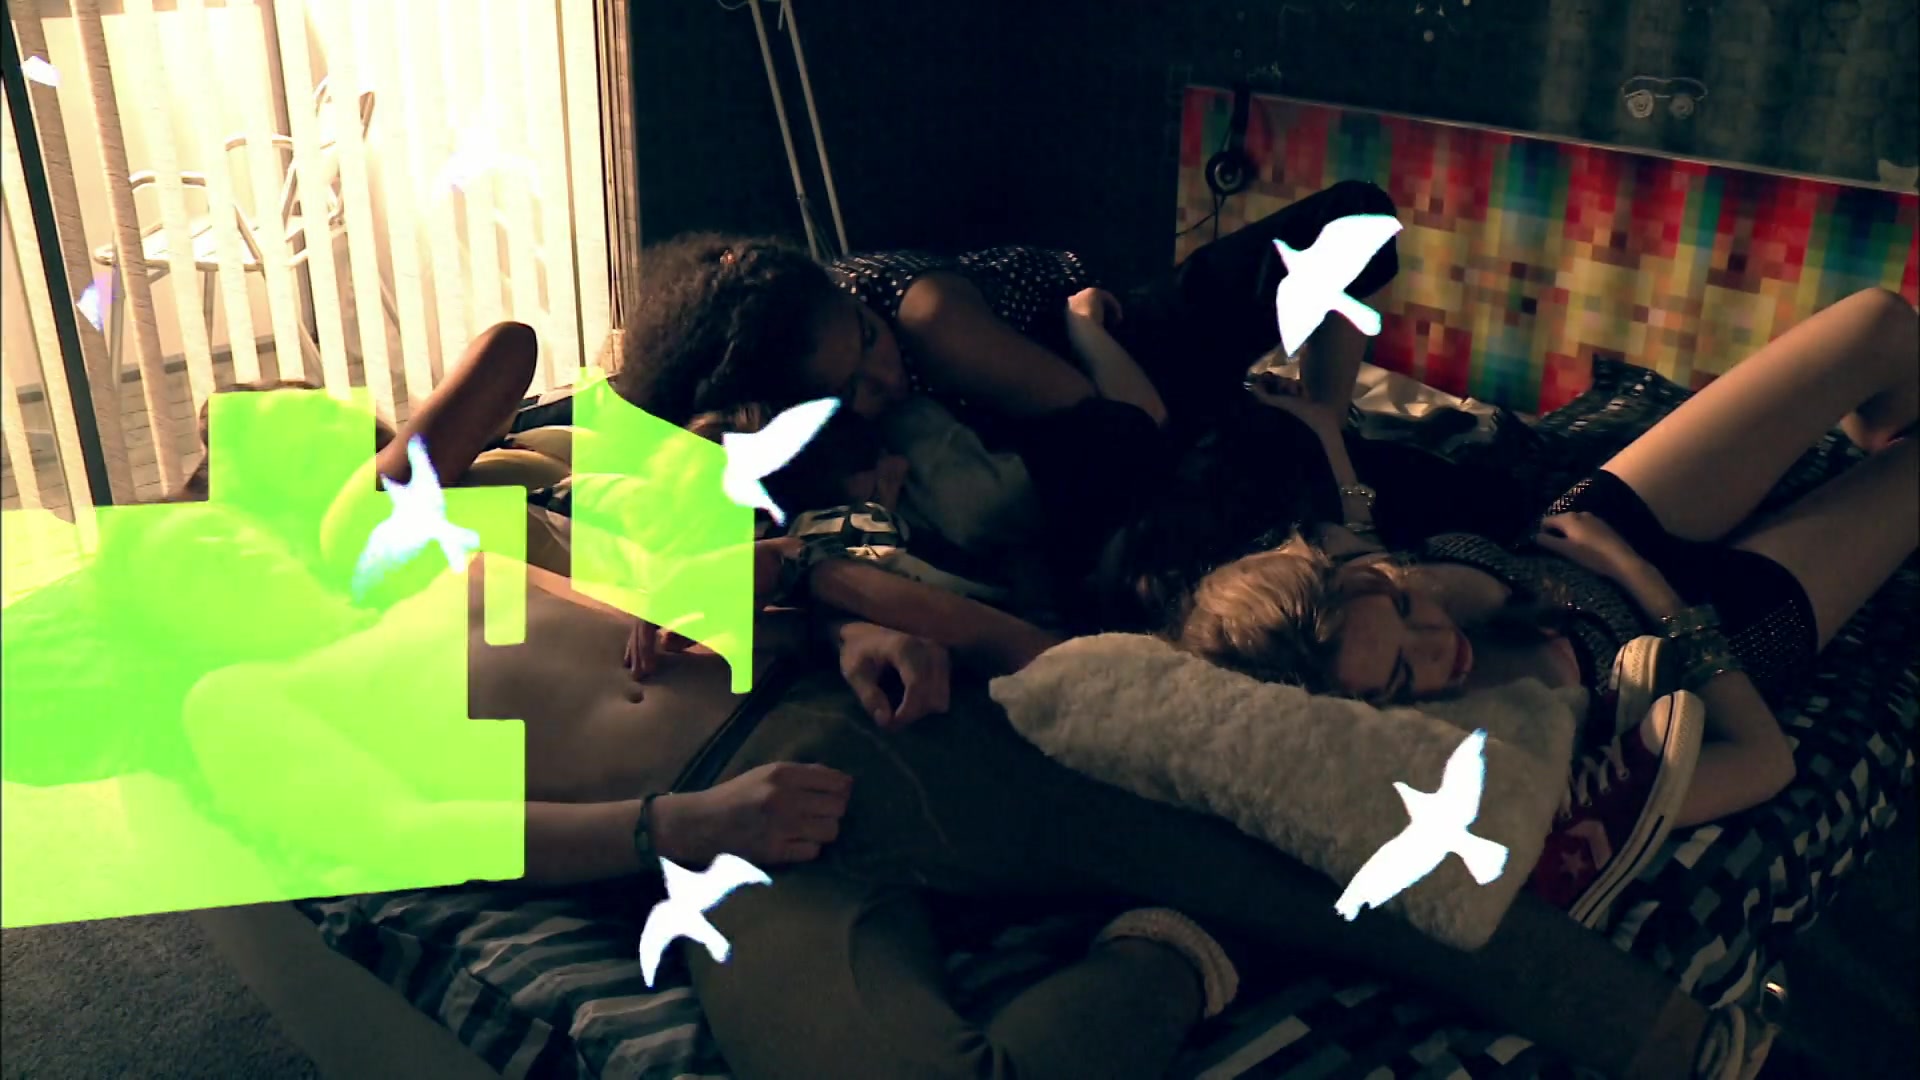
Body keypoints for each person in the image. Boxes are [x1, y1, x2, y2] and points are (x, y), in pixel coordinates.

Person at [1175, 287, 1918, 869]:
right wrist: (1636, 575)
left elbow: (1354, 532)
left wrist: (1325, 429)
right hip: (1718, 624)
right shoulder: (1501, 774)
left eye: (1402, 606)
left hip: (1596, 529)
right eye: (1403, 675)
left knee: (1878, 322)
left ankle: (1876, 433)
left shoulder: (1354, 599)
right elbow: (1765, 763)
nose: (1435, 640)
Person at [606, 184, 1534, 628]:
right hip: (1097, 448)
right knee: (1482, 503)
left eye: (865, 345)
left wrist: (1089, 326)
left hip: (1110, 353)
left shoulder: (925, 321)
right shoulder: (777, 429)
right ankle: (1358, 447)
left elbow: (1130, 426)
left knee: (1353, 222)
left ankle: (1333, 416)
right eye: (840, 395)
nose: (875, 387)